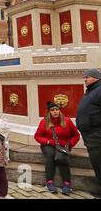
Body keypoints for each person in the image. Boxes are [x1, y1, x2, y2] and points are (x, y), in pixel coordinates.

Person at [34, 102, 80, 195]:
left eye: (56, 109)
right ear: (49, 112)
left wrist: (70, 144)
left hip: (63, 146)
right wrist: (47, 142)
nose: (55, 112)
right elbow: (37, 136)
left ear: (59, 111)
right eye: (52, 110)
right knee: (51, 155)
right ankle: (49, 182)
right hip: (48, 145)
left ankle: (67, 184)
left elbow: (76, 135)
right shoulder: (44, 122)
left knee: (62, 157)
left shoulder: (67, 121)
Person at [76, 68, 101, 198]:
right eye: (84, 77)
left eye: (87, 77)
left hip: (97, 135)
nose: (85, 79)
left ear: (96, 78)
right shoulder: (91, 91)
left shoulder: (99, 90)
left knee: (99, 162)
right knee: (96, 162)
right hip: (91, 135)